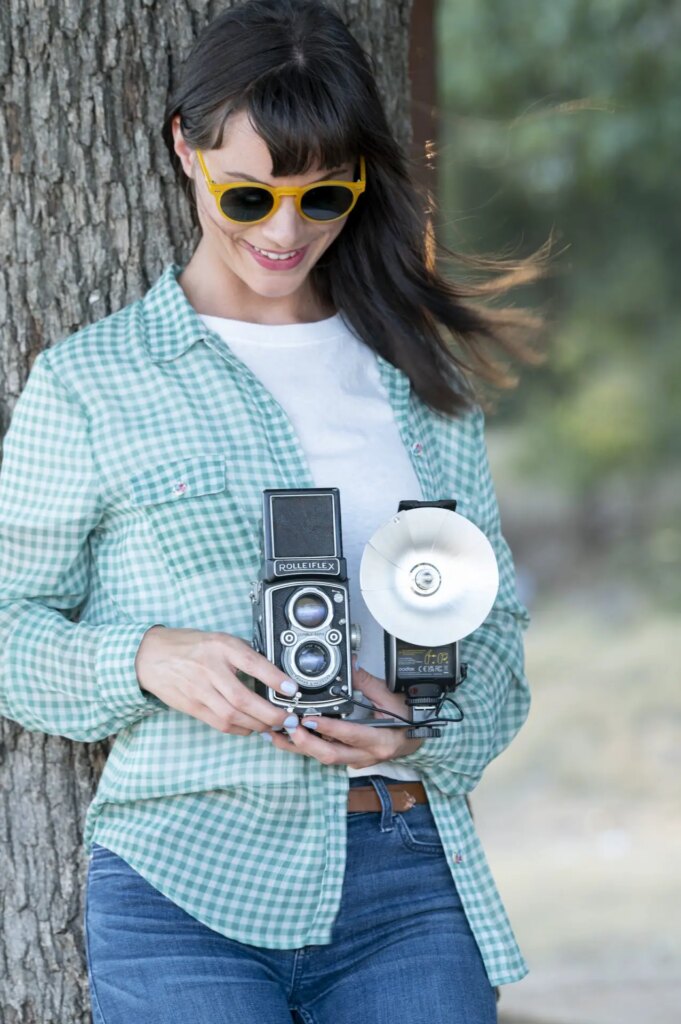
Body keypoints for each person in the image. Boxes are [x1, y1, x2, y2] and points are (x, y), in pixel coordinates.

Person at [0, 2, 546, 1021]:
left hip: (408, 875)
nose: (285, 233)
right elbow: (6, 621)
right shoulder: (90, 384)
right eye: (247, 195)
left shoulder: (422, 386)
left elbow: (500, 643)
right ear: (185, 148)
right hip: (183, 885)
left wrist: (418, 725)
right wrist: (145, 657)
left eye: (323, 196)